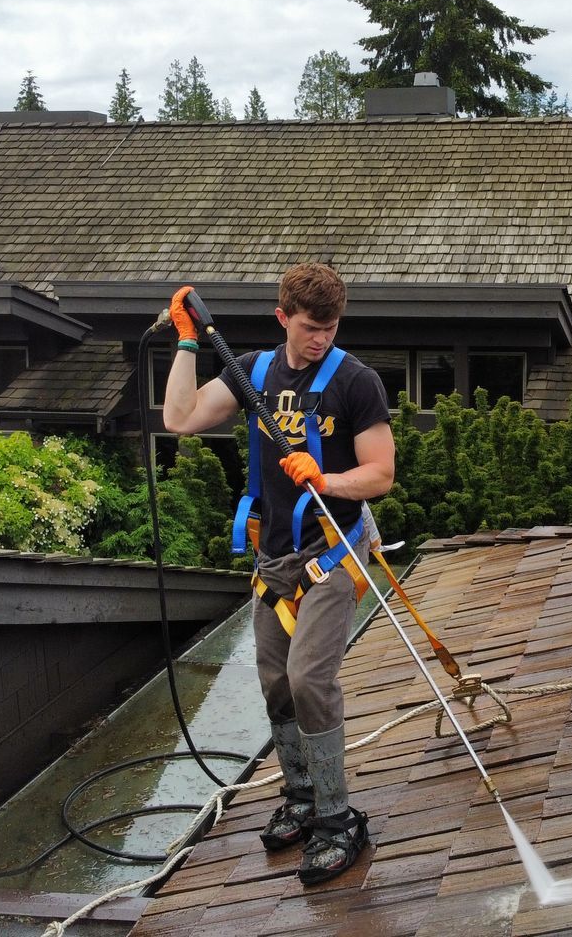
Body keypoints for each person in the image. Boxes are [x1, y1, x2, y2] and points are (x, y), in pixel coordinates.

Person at [161, 262, 393, 887]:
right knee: (274, 684)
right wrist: (187, 342)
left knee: (309, 678)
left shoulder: (355, 382)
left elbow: (381, 473)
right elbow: (179, 418)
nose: (320, 338)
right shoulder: (255, 374)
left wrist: (329, 480)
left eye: (331, 327)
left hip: (333, 550)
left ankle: (339, 819)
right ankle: (301, 795)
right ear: (282, 317)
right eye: (311, 326)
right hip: (275, 559)